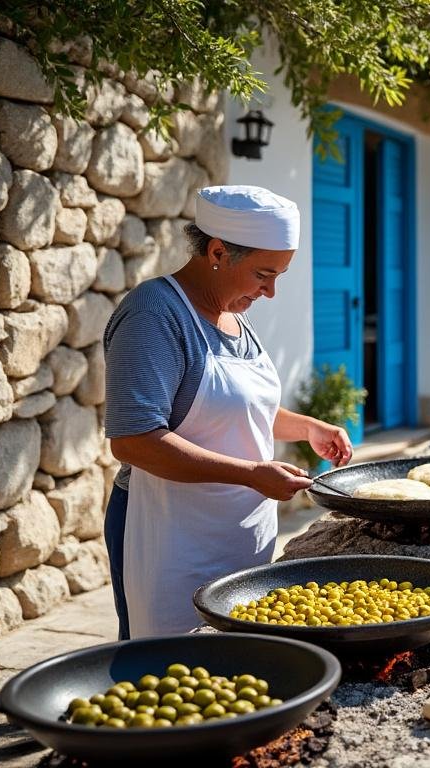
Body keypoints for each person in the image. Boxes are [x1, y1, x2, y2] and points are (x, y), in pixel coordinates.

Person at [103, 185, 354, 639]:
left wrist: (308, 427)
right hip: (170, 540)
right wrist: (250, 473)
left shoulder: (235, 316)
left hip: (238, 535)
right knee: (167, 674)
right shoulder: (154, 315)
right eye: (263, 273)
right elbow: (134, 439)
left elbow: (236, 407)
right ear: (218, 251)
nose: (271, 291)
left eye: (279, 275)